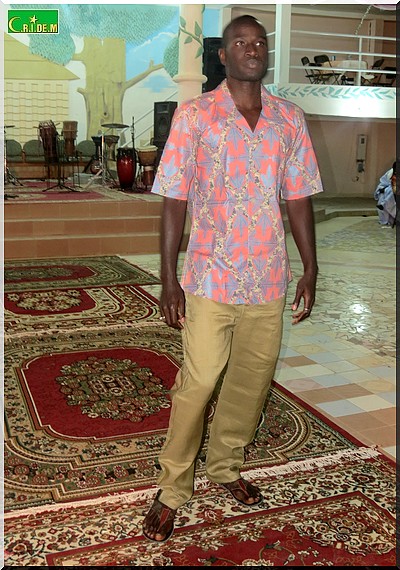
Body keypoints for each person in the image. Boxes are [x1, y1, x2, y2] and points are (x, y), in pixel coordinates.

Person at [142, 14, 324, 542]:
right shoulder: (196, 116)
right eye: (240, 42)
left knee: (250, 381)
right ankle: (172, 487)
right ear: (222, 55)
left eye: (259, 42)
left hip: (267, 276)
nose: (252, 48)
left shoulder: (289, 119)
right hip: (210, 276)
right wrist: (168, 278)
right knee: (199, 381)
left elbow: (298, 197)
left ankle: (225, 465)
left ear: (266, 52)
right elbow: (174, 199)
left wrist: (311, 266)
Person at [373, 161, 397, 227]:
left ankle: (383, 204)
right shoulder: (390, 173)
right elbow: (383, 182)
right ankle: (384, 220)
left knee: (390, 192)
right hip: (389, 190)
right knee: (383, 195)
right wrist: (382, 189)